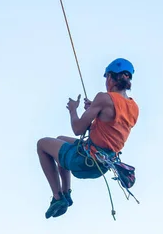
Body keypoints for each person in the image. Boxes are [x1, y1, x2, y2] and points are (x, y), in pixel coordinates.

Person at [36, 58, 139, 219]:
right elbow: (110, 128)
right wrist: (96, 111)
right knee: (60, 139)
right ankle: (66, 193)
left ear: (111, 78)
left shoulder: (104, 98)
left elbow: (77, 129)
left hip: (85, 161)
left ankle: (57, 198)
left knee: (42, 145)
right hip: (101, 165)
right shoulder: (134, 108)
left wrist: (73, 110)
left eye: (106, 78)